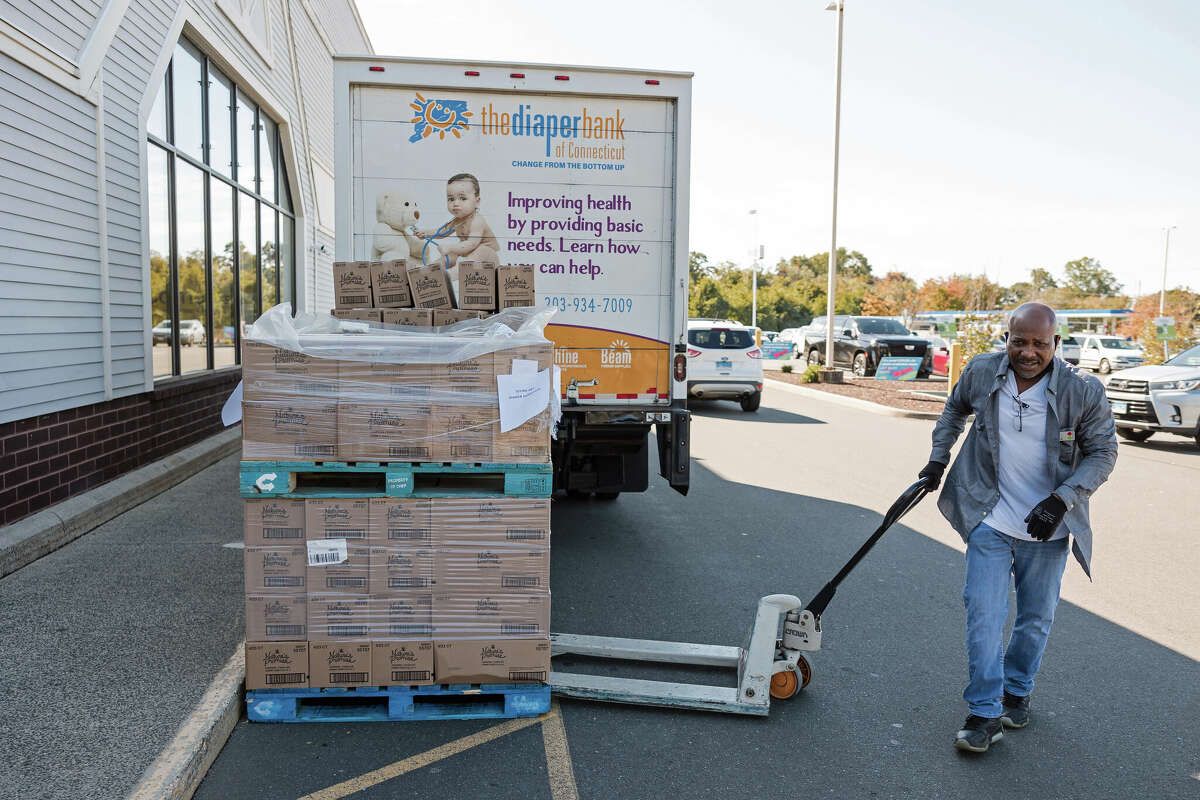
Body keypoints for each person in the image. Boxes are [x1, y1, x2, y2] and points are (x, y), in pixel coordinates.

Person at [918, 303, 1117, 754]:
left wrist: (1061, 500)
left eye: (1039, 344)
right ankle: (985, 712)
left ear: (1056, 344)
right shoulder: (984, 372)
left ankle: (1017, 689)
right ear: (1006, 338)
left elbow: (1104, 453)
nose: (1028, 352)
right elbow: (953, 412)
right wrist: (937, 457)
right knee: (983, 615)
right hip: (991, 517)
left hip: (1047, 529)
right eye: (1019, 341)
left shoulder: (1082, 390)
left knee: (1033, 619)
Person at [415, 173, 501, 279]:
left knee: (480, 250)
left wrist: (450, 247)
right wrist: (426, 233)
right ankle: (430, 269)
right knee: (450, 256)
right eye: (451, 199)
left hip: (488, 257)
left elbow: (472, 244)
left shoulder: (477, 221)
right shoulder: (457, 221)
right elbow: (442, 232)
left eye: (463, 198)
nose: (455, 203)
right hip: (469, 254)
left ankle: (451, 275)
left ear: (477, 201)